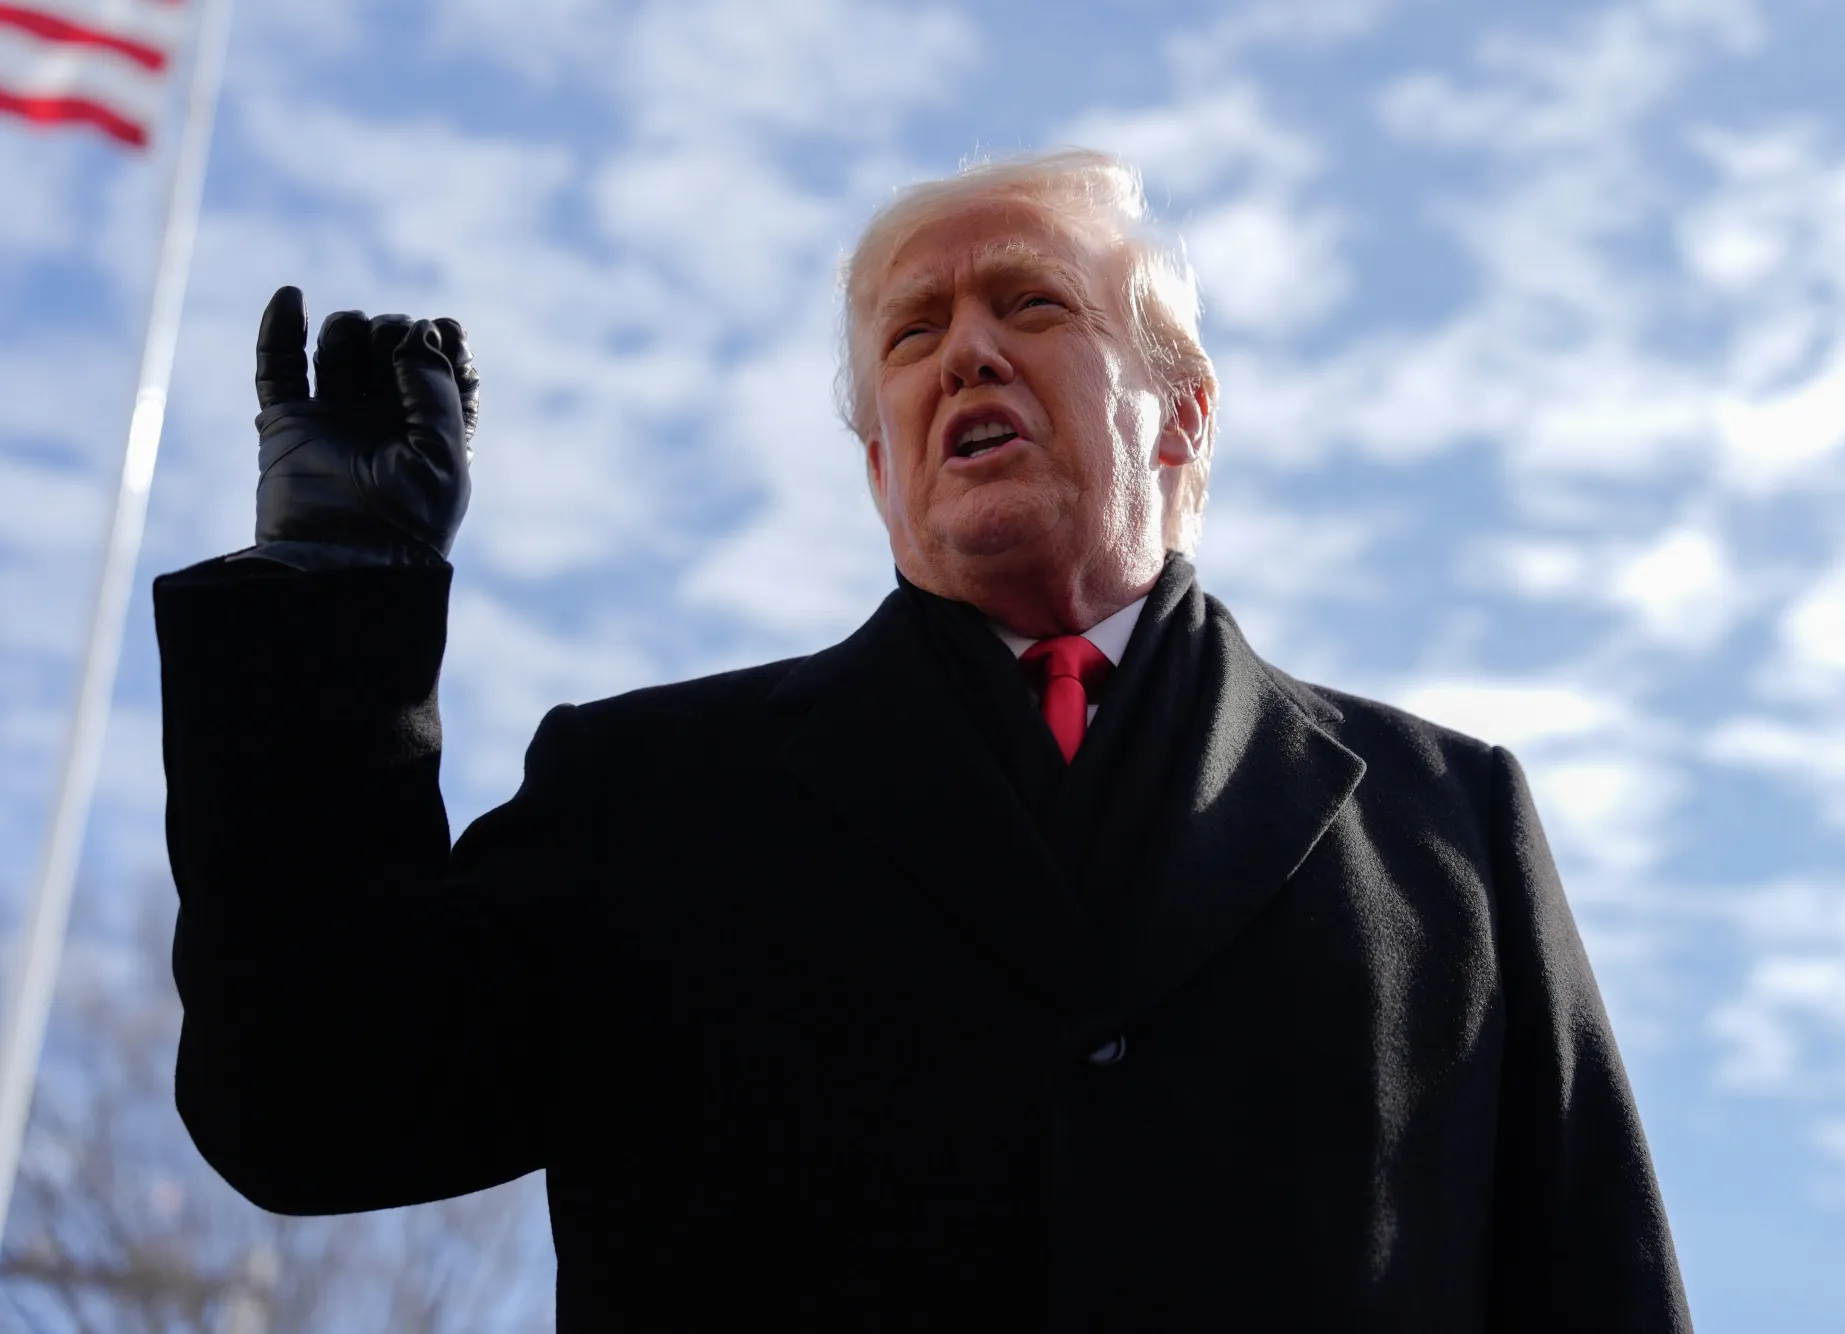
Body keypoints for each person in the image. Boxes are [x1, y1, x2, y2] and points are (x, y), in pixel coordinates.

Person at [153, 149, 1693, 1332]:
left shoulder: (1451, 828)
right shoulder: (650, 795)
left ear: (1183, 417)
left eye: (1029, 302)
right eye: (911, 335)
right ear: (883, 463)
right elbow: (312, 1102)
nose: (963, 352)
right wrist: (336, 608)